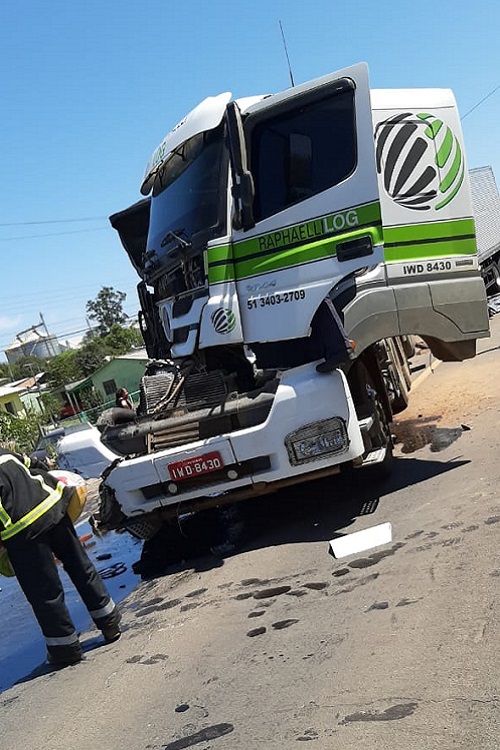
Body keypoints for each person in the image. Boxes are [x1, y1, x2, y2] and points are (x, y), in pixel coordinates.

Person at [0, 448, 121, 667]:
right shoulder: (3, 453)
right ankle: (110, 623)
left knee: (44, 591)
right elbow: (35, 464)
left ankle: (65, 649)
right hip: (53, 505)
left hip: (24, 529)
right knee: (80, 565)